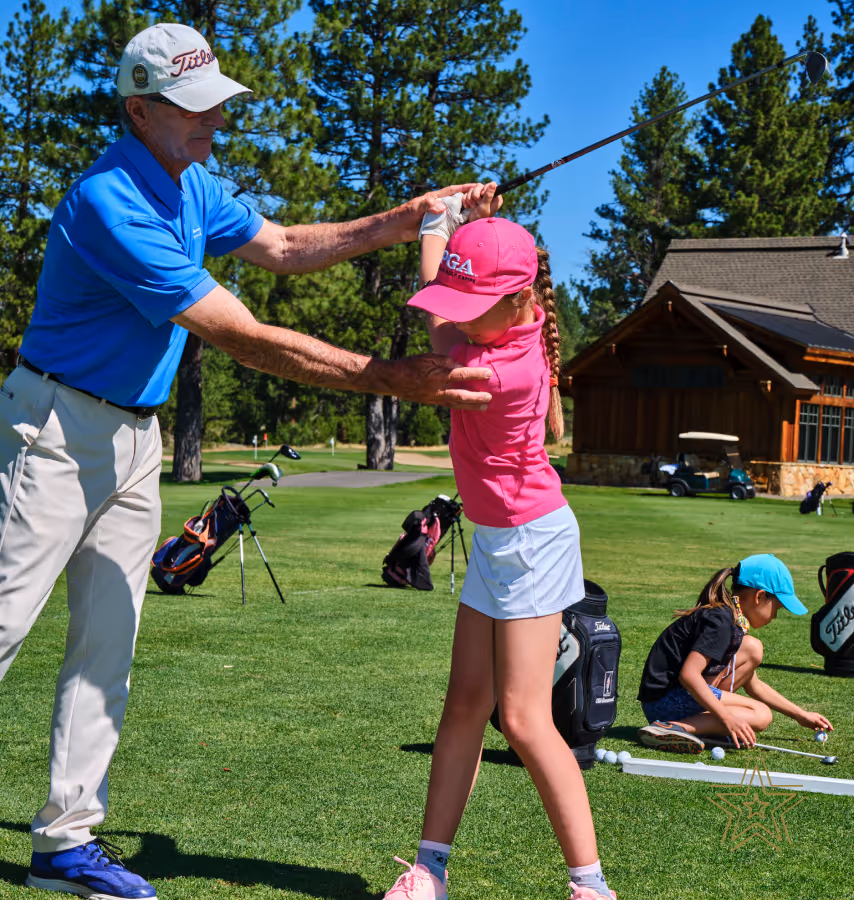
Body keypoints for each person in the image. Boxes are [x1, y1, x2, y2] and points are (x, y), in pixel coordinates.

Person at [0, 22, 492, 900]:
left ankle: (64, 843)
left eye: (217, 106)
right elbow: (248, 339)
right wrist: (388, 379)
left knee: (106, 648)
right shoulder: (111, 201)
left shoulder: (193, 182)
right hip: (53, 433)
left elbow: (291, 248)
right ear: (138, 109)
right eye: (194, 110)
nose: (213, 122)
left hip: (133, 441)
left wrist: (409, 218)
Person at [379, 185, 615, 900]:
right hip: (497, 541)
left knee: (521, 717)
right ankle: (431, 870)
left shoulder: (494, 371)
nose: (454, 318)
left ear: (514, 302)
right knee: (464, 704)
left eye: (468, 306)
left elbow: (434, 323)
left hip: (533, 543)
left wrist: (434, 224)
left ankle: (591, 886)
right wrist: (464, 224)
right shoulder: (514, 319)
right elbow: (451, 290)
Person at [637, 554, 834, 753]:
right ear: (760, 596)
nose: (775, 616)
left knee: (751, 649)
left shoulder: (729, 619)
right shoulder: (721, 622)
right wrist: (727, 717)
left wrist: (801, 715)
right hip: (665, 703)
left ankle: (700, 725)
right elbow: (689, 675)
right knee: (761, 714)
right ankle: (675, 728)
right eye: (778, 607)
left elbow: (754, 685)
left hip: (669, 699)